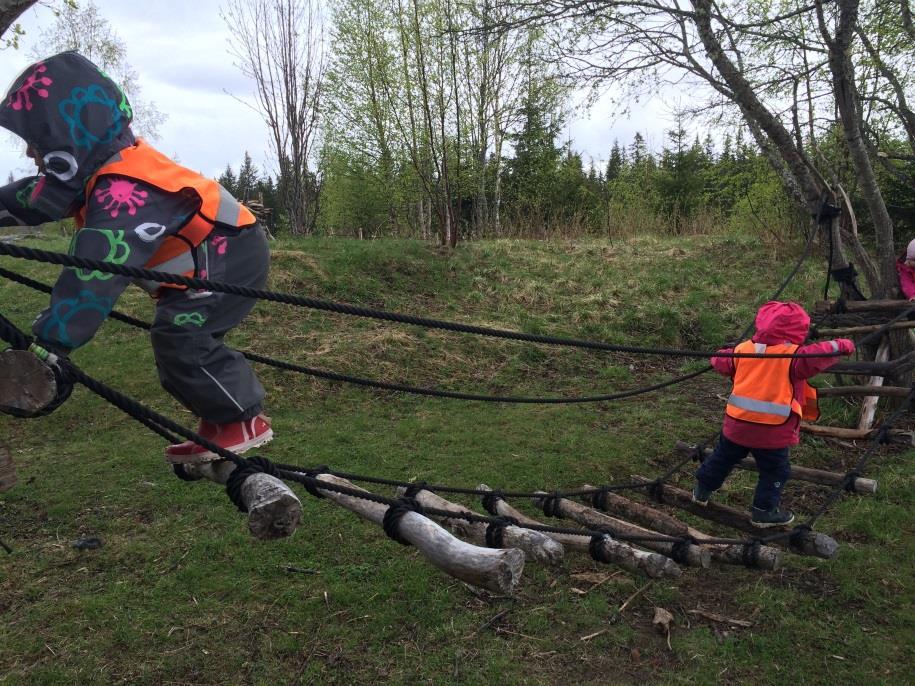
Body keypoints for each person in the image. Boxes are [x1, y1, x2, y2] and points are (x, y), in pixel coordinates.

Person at [0, 51, 273, 463]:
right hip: (210, 257)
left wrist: (51, 343)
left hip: (228, 256)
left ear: (67, 139)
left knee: (182, 340)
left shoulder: (123, 191)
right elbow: (35, 199)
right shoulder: (102, 169)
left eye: (36, 143)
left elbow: (93, 275)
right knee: (174, 342)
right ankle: (217, 426)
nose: (30, 156)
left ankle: (242, 420)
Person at [692, 301, 855, 527]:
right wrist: (843, 345)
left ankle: (701, 490)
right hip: (772, 431)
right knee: (775, 470)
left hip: (736, 425)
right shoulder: (795, 357)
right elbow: (818, 354)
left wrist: (717, 354)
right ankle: (764, 510)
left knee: (723, 457)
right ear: (798, 329)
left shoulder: (743, 350)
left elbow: (720, 360)